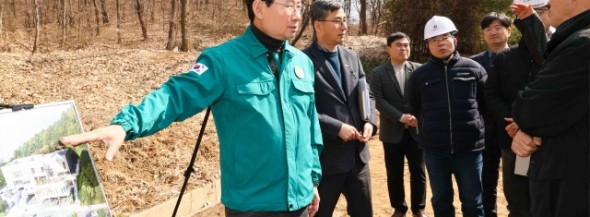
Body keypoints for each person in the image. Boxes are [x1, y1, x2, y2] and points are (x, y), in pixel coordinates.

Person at [60, 0, 324, 216]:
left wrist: (311, 180)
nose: (297, 14)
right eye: (289, 5)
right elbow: (176, 95)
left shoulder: (302, 62)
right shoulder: (223, 60)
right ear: (259, 8)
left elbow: (310, 127)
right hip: (254, 206)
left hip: (300, 202)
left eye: (300, 6)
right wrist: (125, 125)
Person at [510, 0, 590, 216]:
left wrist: (528, 129)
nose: (548, 2)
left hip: (571, 183)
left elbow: (530, 110)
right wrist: (531, 24)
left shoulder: (583, 44)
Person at [405, 15, 487, 217]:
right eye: (434, 40)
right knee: (441, 201)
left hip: (469, 149)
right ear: (427, 45)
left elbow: (486, 105)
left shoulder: (474, 69)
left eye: (444, 37)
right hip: (435, 150)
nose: (440, 43)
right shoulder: (419, 76)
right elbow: (413, 106)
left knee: (473, 202)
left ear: (455, 40)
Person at [302, 1, 377, 216]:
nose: (344, 26)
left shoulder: (352, 57)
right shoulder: (302, 61)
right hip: (325, 161)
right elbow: (301, 110)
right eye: (337, 21)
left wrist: (369, 121)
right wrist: (336, 127)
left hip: (358, 159)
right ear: (318, 25)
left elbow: (367, 93)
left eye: (345, 20)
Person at [484, 3, 549, 217]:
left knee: (549, 198)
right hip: (512, 138)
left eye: (541, 15)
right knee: (518, 199)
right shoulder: (505, 58)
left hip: (549, 141)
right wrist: (515, 121)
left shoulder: (558, 56)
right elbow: (491, 94)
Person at [370, 32, 427, 217]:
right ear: (388, 49)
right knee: (394, 172)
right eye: (399, 45)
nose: (404, 48)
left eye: (406, 45)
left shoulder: (419, 70)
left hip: (416, 131)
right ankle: (399, 208)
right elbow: (378, 100)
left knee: (418, 171)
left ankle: (419, 208)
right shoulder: (378, 73)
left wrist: (417, 116)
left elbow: (426, 98)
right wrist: (401, 117)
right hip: (392, 131)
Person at [470, 12, 512, 217]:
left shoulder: (522, 58)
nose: (493, 32)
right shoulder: (473, 64)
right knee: (486, 180)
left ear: (509, 31)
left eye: (498, 27)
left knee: (517, 181)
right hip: (484, 132)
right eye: (488, 29)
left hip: (515, 131)